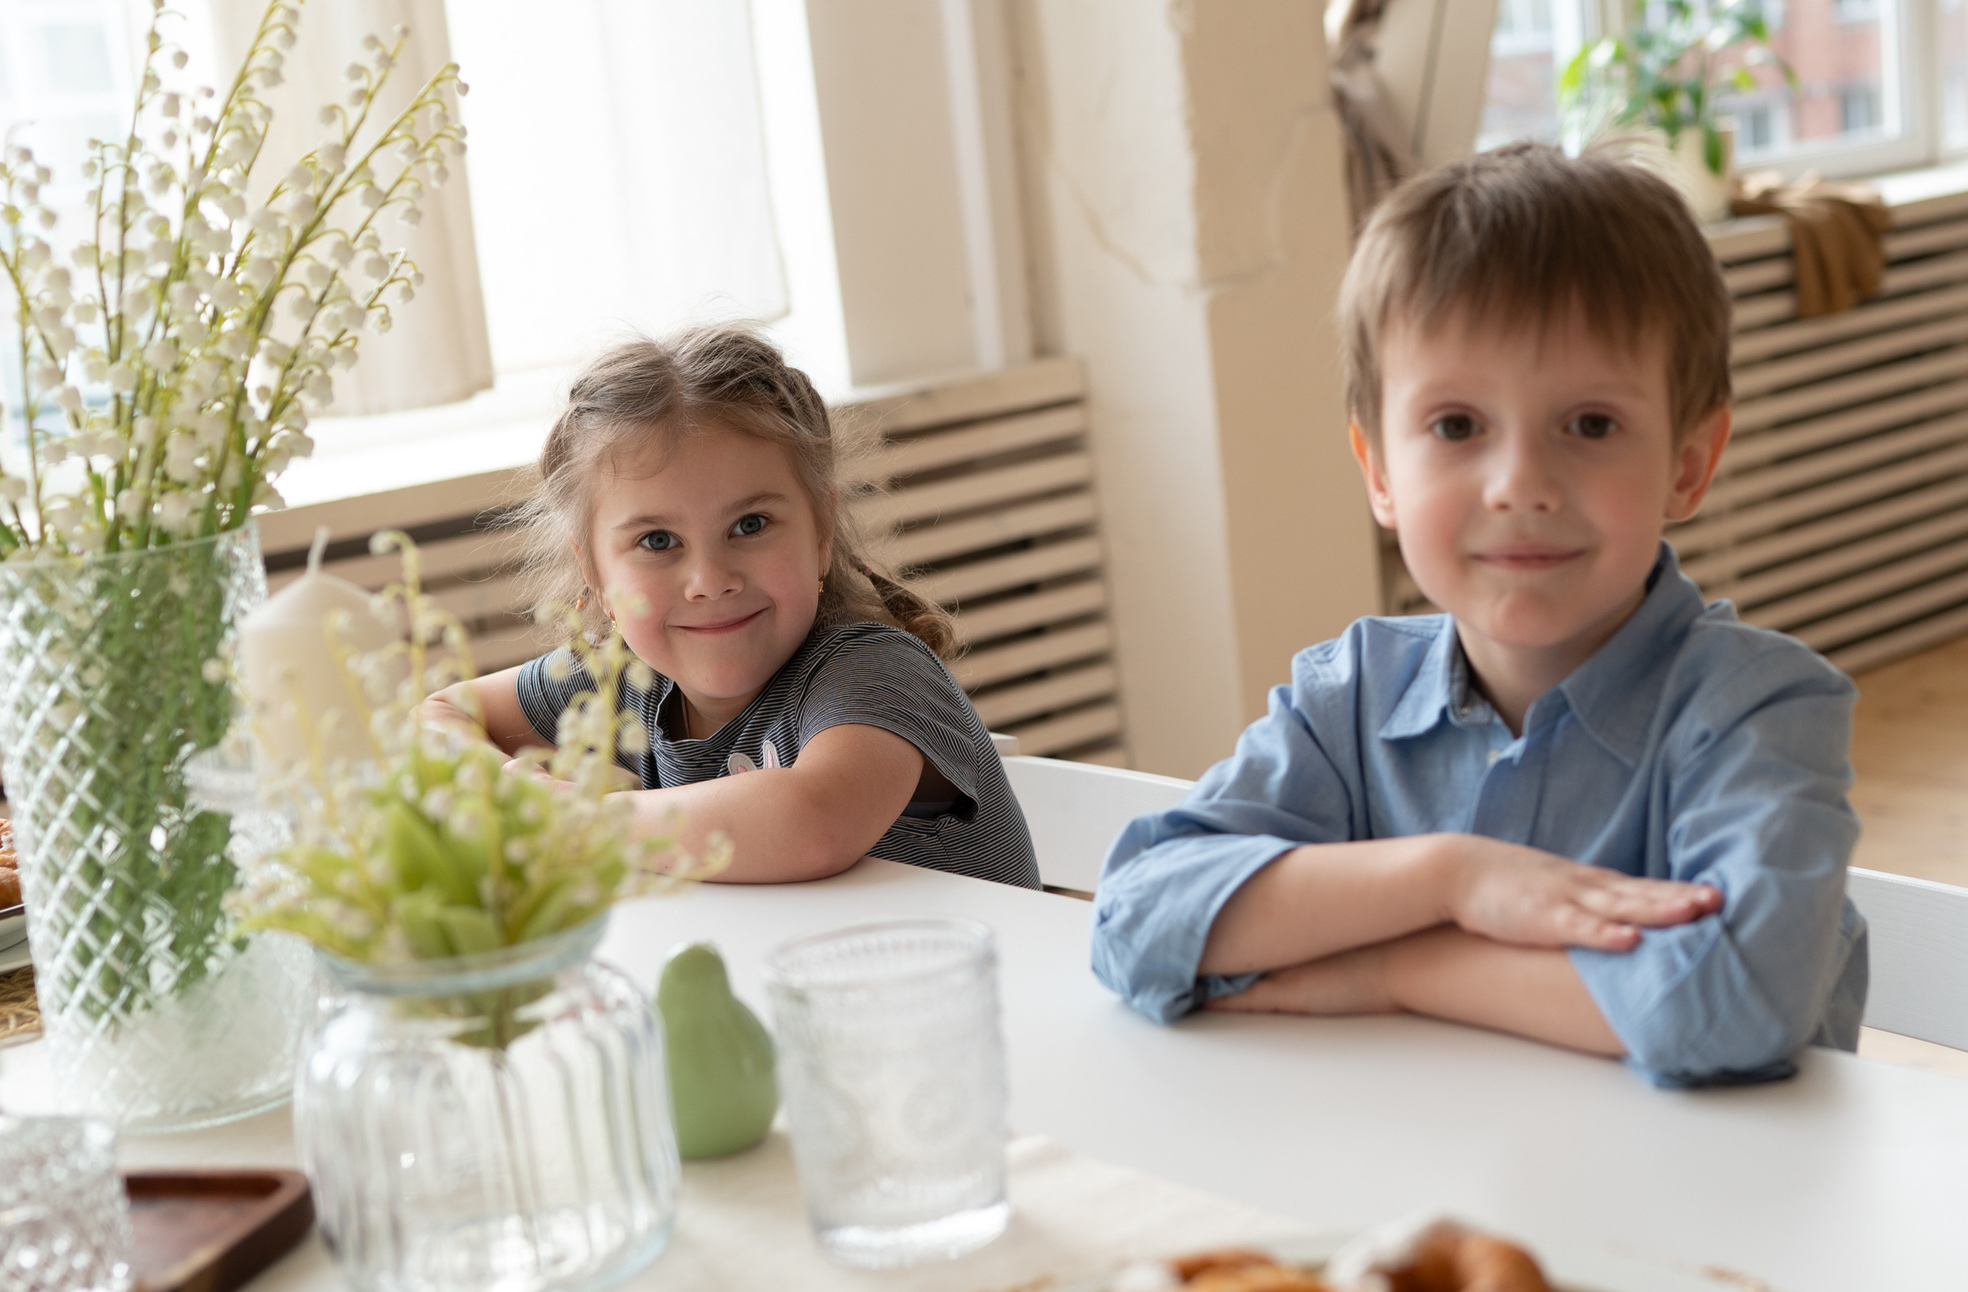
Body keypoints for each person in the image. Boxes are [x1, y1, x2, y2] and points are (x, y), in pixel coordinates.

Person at [1090, 143, 1865, 1085]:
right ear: (1378, 469)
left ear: (1689, 462)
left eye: (1590, 425)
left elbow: (1732, 1003)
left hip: (1707, 1216)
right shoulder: (1351, 696)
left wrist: (1398, 966)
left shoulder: (1758, 709)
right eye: (1456, 426)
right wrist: (1455, 878)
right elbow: (1137, 917)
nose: (1521, 486)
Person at [423, 325, 1040, 889]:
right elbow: (438, 716)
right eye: (657, 541)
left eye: (750, 524)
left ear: (821, 529)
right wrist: (513, 789)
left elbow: (811, 821)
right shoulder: (617, 680)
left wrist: (578, 819)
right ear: (594, 570)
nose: (709, 580)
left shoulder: (874, 672)